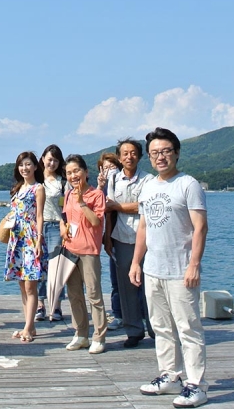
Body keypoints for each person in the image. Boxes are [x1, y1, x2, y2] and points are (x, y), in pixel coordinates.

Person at [130, 128, 209, 407]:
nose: (160, 157)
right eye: (154, 153)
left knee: (188, 329)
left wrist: (194, 265)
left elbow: (200, 228)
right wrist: (136, 262)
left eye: (165, 151)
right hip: (153, 269)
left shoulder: (188, 184)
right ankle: (170, 375)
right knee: (161, 327)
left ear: (176, 153)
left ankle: (196, 385)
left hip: (180, 270)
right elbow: (143, 227)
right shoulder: (148, 186)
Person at [105, 138, 154, 348]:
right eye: (125, 153)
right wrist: (107, 237)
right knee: (126, 287)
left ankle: (155, 329)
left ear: (140, 156)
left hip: (147, 238)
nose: (129, 157)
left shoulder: (148, 179)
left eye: (133, 153)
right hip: (121, 237)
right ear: (119, 157)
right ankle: (134, 330)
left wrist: (118, 206)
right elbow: (108, 209)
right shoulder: (113, 179)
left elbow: (144, 207)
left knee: (150, 285)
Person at [63, 154, 107, 354]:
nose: (73, 176)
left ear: (86, 172)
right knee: (74, 295)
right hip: (70, 250)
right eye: (69, 173)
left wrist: (82, 202)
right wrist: (62, 227)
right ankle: (81, 334)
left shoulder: (96, 195)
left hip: (89, 251)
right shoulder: (68, 194)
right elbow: (66, 217)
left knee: (94, 294)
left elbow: (96, 221)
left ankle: (99, 336)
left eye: (76, 171)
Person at [4, 151, 46, 343]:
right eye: (21, 165)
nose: (24, 168)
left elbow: (40, 216)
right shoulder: (18, 188)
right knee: (22, 284)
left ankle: (28, 327)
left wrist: (39, 240)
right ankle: (29, 326)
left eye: (28, 164)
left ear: (36, 167)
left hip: (30, 237)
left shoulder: (38, 188)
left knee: (30, 285)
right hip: (17, 238)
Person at [36, 144, 66, 323]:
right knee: (39, 266)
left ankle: (56, 306)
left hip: (56, 226)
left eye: (56, 160)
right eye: (49, 159)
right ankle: (40, 305)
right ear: (42, 159)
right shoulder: (36, 179)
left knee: (56, 267)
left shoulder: (62, 182)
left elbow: (67, 206)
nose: (52, 163)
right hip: (37, 226)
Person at [98, 152, 124, 332]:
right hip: (112, 236)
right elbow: (99, 209)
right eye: (105, 168)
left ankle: (139, 314)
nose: (109, 171)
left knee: (135, 278)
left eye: (112, 166)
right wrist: (101, 186)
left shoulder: (123, 184)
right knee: (115, 279)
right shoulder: (103, 188)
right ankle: (118, 314)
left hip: (129, 235)